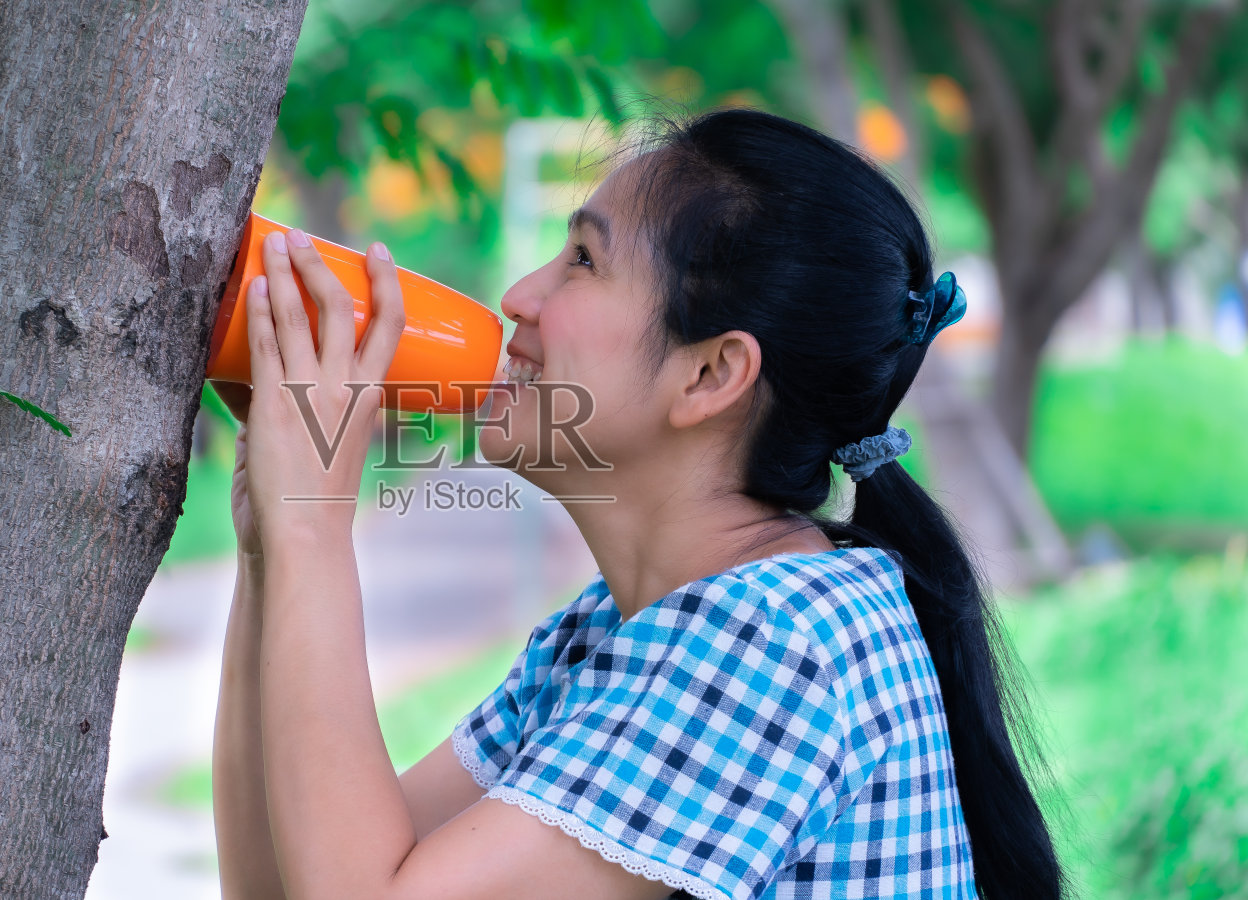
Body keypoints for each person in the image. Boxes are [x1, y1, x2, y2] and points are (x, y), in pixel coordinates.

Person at [209, 107, 1064, 899]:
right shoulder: (615, 632)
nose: (520, 300)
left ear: (710, 374)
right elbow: (285, 885)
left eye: (583, 260)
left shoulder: (776, 645)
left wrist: (316, 520)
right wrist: (270, 550)